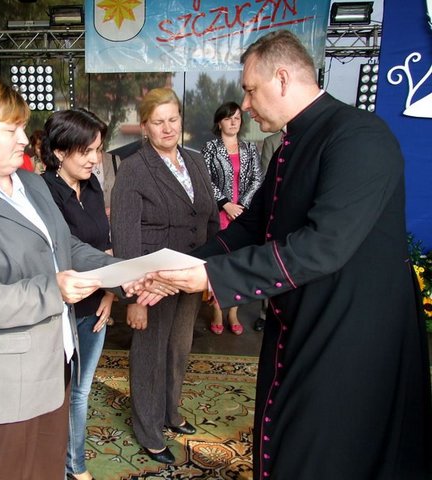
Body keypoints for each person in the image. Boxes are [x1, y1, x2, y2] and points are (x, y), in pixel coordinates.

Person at [153, 30, 432, 479]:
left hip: (352, 331)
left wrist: (212, 277)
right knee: (283, 432)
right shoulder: (293, 144)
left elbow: (324, 245)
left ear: (281, 79)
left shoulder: (360, 137)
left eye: (250, 90)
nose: (245, 105)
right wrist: (183, 264)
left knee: (327, 450)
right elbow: (252, 224)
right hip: (303, 317)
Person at [0, 73, 156, 480]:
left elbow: (65, 247)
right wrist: (53, 289)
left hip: (53, 365)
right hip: (1, 385)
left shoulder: (31, 184)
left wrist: (120, 274)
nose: (24, 139)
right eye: (11, 130)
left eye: (23, 128)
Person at [110, 87, 219, 464]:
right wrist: (134, 297)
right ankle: (149, 431)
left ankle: (170, 413)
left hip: (191, 275)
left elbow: (209, 218)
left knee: (178, 349)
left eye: (173, 119)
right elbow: (125, 236)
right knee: (150, 354)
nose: (168, 127)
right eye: (158, 122)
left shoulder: (196, 161)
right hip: (152, 282)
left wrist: (211, 273)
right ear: (144, 126)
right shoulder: (134, 169)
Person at [40, 108, 113, 480]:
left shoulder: (94, 186)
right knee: (60, 393)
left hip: (97, 307)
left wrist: (110, 294)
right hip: (60, 310)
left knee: (80, 391)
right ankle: (71, 466)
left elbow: (104, 246)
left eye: (97, 150)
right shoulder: (41, 192)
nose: (94, 159)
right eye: (85, 151)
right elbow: (52, 256)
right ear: (58, 151)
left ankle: (72, 464)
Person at [202, 101, 263, 336]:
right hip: (218, 214)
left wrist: (242, 206)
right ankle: (217, 310)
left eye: (237, 118)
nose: (233, 122)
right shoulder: (210, 148)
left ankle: (233, 312)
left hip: (243, 215)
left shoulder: (250, 148)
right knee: (218, 263)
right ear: (220, 123)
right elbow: (205, 180)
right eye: (228, 118)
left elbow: (257, 180)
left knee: (238, 263)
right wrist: (226, 204)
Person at [253, 130, 282, 332]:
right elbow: (265, 178)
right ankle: (265, 313)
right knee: (269, 260)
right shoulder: (272, 142)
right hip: (273, 210)